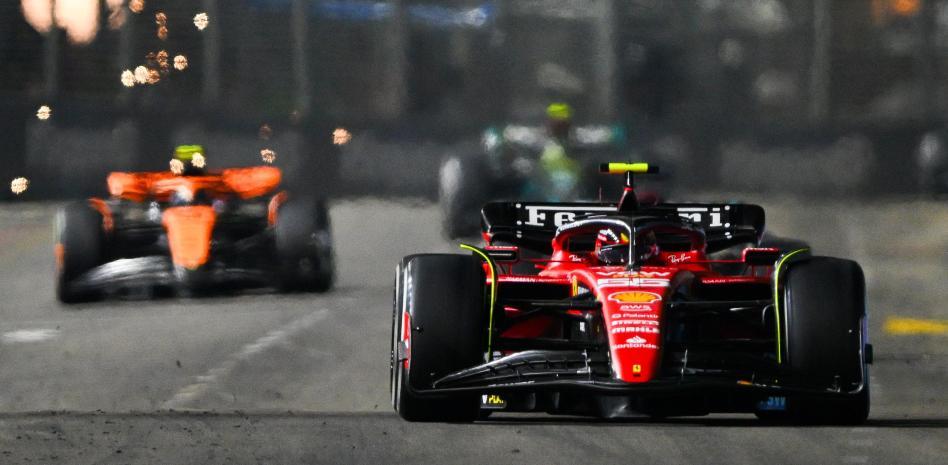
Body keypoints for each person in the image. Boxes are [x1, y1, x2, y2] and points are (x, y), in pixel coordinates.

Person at [536, 102, 581, 201]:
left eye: (564, 124)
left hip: (572, 198)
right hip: (544, 195)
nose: (560, 127)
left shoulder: (577, 146)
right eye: (557, 123)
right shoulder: (539, 145)